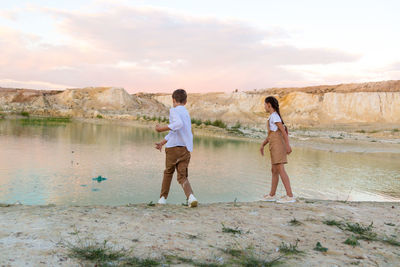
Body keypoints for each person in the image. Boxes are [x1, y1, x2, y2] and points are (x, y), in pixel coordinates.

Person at [154, 89, 198, 207]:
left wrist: (161, 129)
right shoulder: (186, 113)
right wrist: (162, 142)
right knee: (182, 176)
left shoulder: (174, 111)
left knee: (168, 172)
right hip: (184, 149)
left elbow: (178, 125)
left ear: (173, 100)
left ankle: (162, 199)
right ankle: (191, 197)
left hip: (173, 149)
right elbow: (176, 131)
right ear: (186, 101)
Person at [260, 96, 295, 203]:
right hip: (274, 146)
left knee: (280, 169)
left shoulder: (275, 117)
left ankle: (290, 196)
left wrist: (288, 146)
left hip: (278, 146)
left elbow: (283, 132)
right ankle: (272, 195)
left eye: (265, 104)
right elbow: (271, 135)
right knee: (274, 170)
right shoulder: (272, 117)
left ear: (269, 105)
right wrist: (263, 145)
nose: (264, 106)